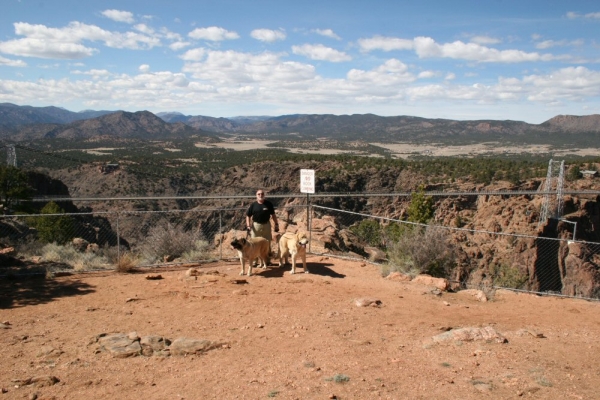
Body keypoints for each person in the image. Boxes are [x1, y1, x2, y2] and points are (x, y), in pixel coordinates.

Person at [246, 189, 279, 263]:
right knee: (254, 243)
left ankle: (267, 261)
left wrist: (276, 224)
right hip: (256, 226)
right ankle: (254, 261)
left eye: (262, 194)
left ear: (264, 195)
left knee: (267, 243)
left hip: (266, 225)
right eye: (259, 194)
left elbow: (273, 215)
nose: (260, 195)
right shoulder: (253, 205)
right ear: (256, 196)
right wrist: (248, 226)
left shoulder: (268, 204)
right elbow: (248, 216)